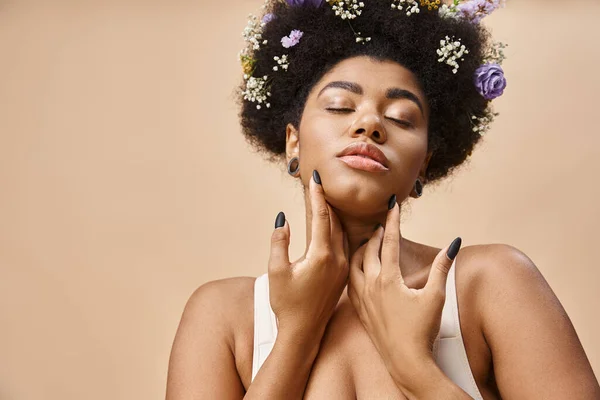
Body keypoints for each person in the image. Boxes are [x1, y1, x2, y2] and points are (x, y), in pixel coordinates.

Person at [166, 0, 600, 398]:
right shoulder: (222, 317)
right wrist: (297, 334)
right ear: (292, 142)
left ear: (425, 165)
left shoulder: (491, 285)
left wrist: (415, 367)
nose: (370, 124)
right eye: (339, 106)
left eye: (401, 117)